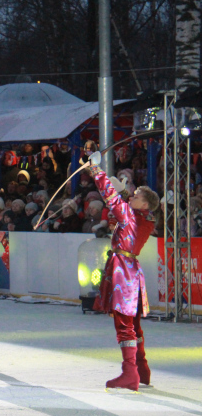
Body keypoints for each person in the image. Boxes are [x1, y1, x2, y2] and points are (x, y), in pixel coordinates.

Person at [86, 151, 159, 391]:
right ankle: (142, 369)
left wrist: (97, 170)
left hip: (122, 272)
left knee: (124, 324)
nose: (132, 195)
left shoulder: (129, 215)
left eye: (136, 195)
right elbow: (124, 203)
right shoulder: (145, 220)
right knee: (133, 323)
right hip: (132, 271)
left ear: (145, 204)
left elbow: (111, 197)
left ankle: (130, 374)